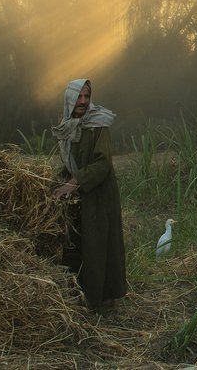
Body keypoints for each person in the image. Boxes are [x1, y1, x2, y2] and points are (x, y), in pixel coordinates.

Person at [51, 78, 128, 310]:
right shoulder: (68, 125)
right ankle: (79, 295)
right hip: (80, 195)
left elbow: (102, 163)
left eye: (86, 96)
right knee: (76, 243)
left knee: (98, 243)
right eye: (78, 98)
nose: (83, 102)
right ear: (69, 100)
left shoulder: (98, 124)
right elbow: (70, 161)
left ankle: (102, 300)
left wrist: (74, 183)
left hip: (99, 195)